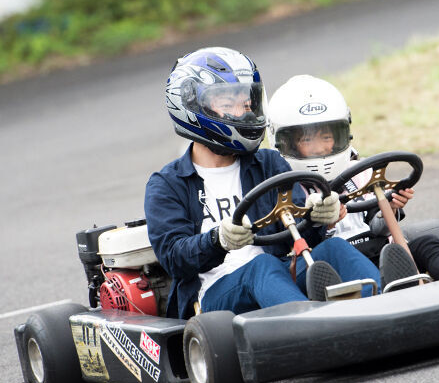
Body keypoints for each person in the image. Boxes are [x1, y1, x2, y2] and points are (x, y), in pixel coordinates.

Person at [144, 48, 381, 319]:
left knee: (334, 248)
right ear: (190, 105)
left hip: (280, 276)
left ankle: (386, 311)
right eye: (228, 102)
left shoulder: (268, 163)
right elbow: (174, 259)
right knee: (261, 265)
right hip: (215, 296)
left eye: (246, 102)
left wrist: (319, 218)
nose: (243, 112)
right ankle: (313, 327)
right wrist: (217, 240)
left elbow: (301, 233)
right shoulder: (167, 184)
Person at [267, 75, 439, 286]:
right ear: (284, 140)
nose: (320, 148)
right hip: (333, 260)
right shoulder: (286, 189)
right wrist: (327, 224)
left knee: (425, 242)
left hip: (375, 248)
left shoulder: (357, 171)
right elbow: (292, 245)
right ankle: (389, 291)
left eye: (326, 137)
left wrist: (392, 206)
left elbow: (377, 227)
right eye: (308, 140)